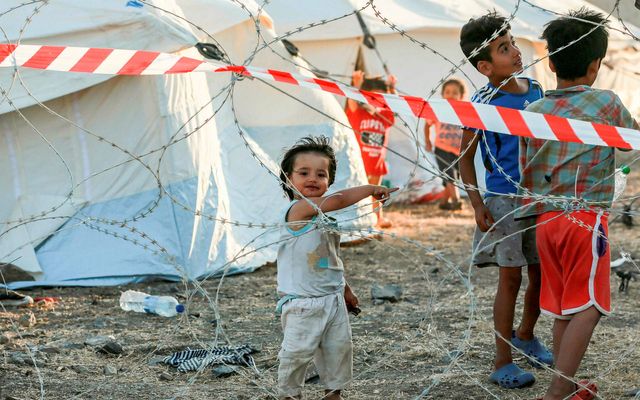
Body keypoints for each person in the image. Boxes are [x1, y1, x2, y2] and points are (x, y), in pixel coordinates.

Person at [517, 9, 639, 400]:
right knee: (590, 305)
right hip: (584, 219)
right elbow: (629, 143)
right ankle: (556, 392)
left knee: (566, 307)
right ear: (596, 65)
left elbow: (526, 164)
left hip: (544, 220)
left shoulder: (532, 112)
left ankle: (567, 385)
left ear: (550, 61)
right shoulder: (607, 104)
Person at [458, 11, 553, 388]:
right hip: (504, 201)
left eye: (512, 43)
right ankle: (502, 360)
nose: (514, 52)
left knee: (542, 274)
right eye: (503, 49)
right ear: (484, 66)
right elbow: (464, 158)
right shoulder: (483, 102)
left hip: (539, 197)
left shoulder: (535, 91)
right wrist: (477, 203)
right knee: (510, 279)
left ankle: (527, 334)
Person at [276, 136, 398, 400]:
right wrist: (370, 188)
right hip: (303, 304)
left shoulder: (326, 219)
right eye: (304, 172)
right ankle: (289, 395)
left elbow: (330, 259)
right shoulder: (296, 212)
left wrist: (345, 290)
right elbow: (339, 200)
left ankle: (333, 395)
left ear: (328, 181)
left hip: (332, 300)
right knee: (296, 354)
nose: (313, 178)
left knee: (337, 352)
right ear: (288, 178)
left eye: (321, 174)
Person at [345, 70, 397, 228]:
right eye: (373, 98)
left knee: (377, 192)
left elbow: (394, 105)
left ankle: (378, 217)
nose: (376, 102)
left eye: (380, 99)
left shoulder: (385, 117)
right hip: (359, 162)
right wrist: (356, 86)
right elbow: (352, 102)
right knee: (357, 192)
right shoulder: (358, 113)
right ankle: (357, 218)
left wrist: (392, 88)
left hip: (377, 161)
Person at [424, 78, 466, 210]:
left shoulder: (464, 112)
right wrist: (428, 141)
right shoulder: (438, 110)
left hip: (458, 150)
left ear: (461, 96)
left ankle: (444, 202)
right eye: (447, 92)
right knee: (449, 175)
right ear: (442, 94)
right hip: (441, 148)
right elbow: (427, 125)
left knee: (453, 177)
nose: (451, 95)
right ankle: (456, 200)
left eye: (455, 93)